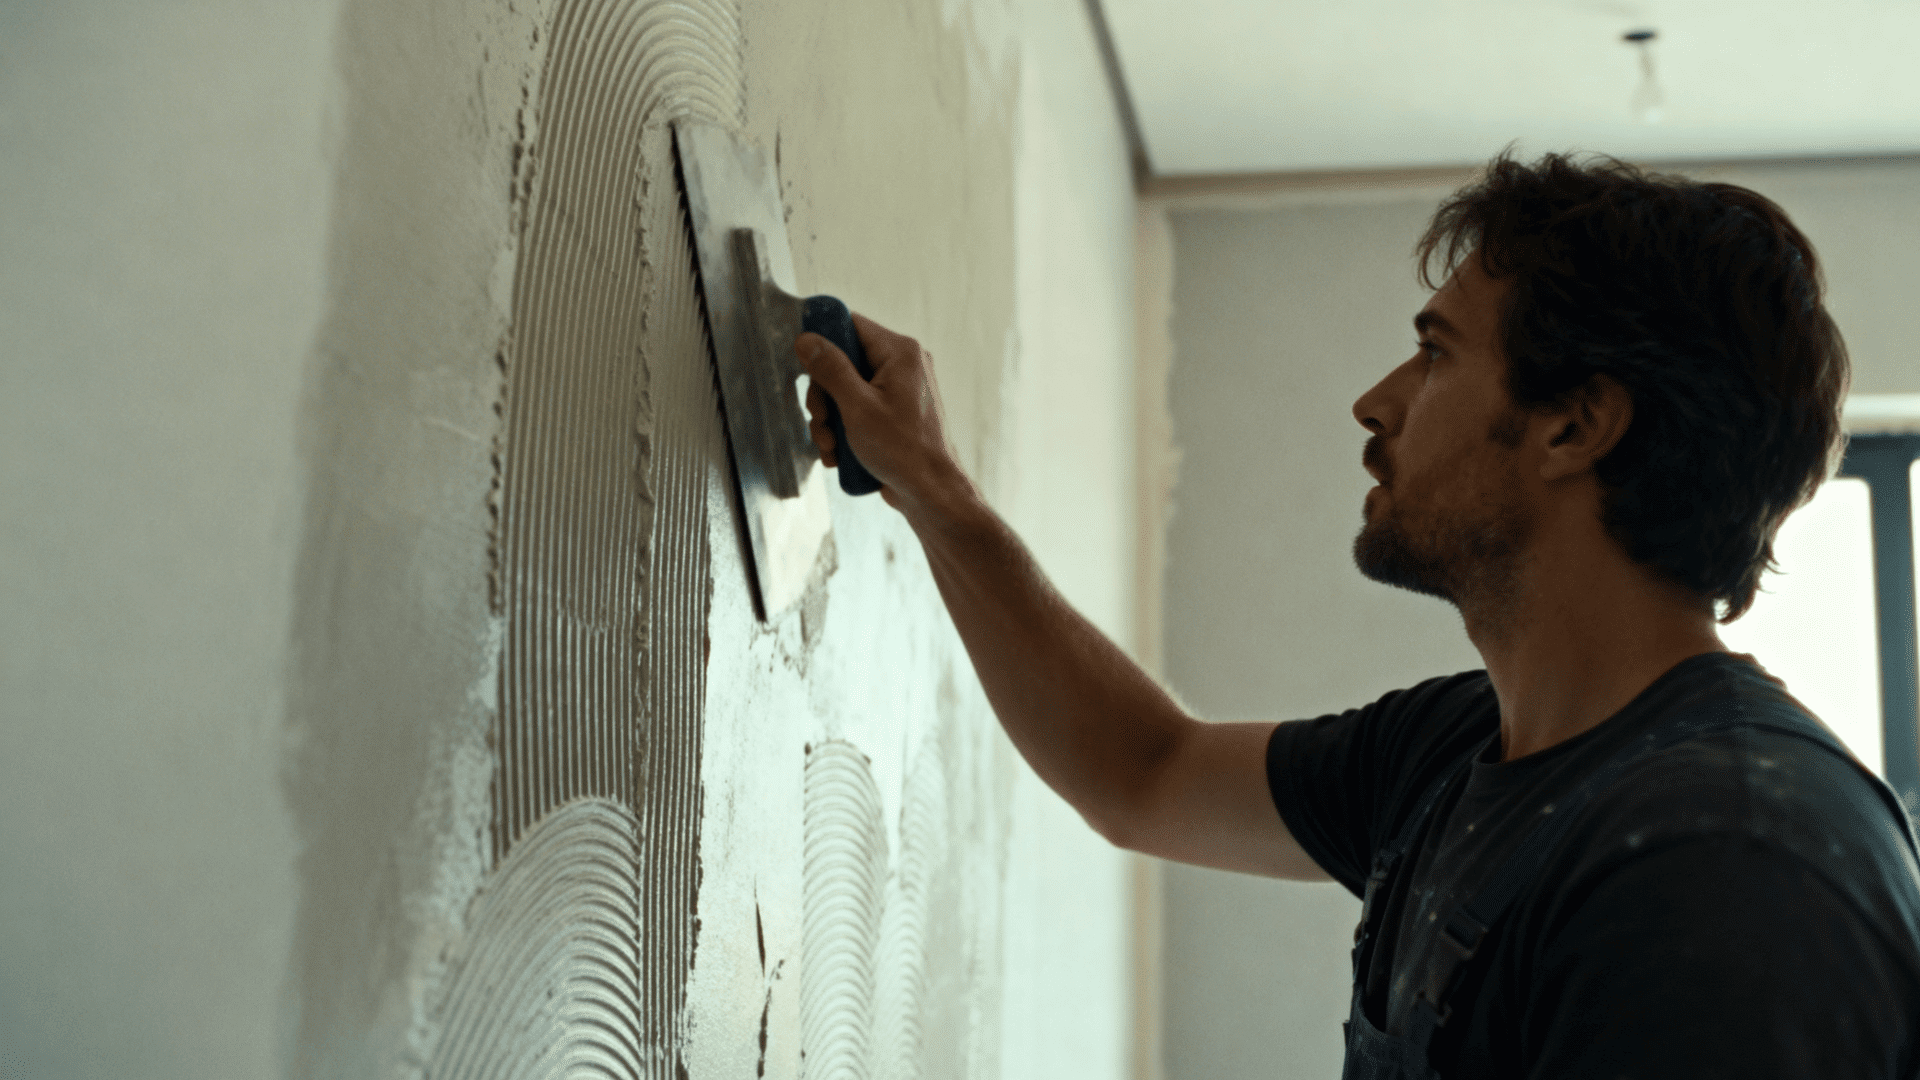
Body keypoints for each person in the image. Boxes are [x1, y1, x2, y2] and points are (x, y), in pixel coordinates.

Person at [794, 151, 1920, 1078]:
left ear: (1576, 428)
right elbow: (1143, 770)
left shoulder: (1724, 865)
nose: (1375, 403)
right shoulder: (1455, 753)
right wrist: (933, 490)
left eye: (1434, 355)